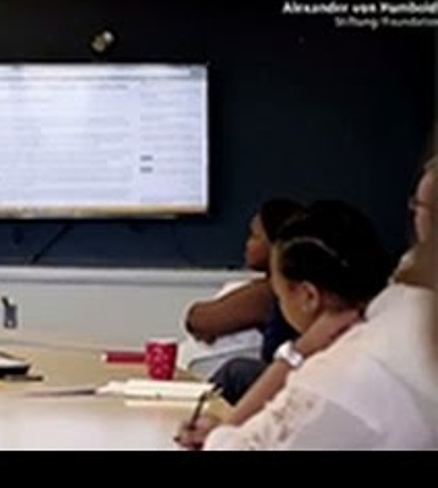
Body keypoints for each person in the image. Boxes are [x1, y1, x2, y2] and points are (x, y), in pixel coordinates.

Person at [176, 192, 431, 450]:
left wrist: (296, 354)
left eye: (280, 296)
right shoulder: (412, 311)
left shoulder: (335, 374)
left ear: (308, 296)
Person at [183, 198, 304, 404]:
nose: (247, 243)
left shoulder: (267, 293)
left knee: (237, 371)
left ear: (277, 246)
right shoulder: (264, 288)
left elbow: (200, 320)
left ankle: (198, 415)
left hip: (287, 382)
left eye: (255, 236)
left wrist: (204, 325)